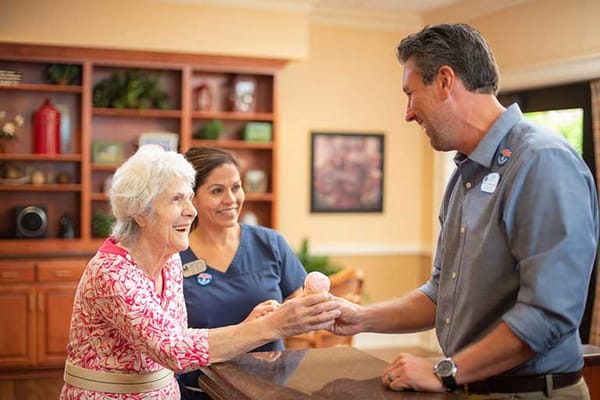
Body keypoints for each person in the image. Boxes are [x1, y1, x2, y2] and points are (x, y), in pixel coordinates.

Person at [330, 23, 598, 399]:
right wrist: (362, 318)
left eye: (411, 94)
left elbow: (548, 315)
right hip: (469, 387)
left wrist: (445, 372)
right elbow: (443, 293)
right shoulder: (465, 176)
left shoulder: (542, 162)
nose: (408, 114)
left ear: (444, 81)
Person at [60, 144, 339, 399]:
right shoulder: (113, 272)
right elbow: (174, 349)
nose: (191, 211)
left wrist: (246, 329)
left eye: (189, 199)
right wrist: (269, 327)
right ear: (140, 212)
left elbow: (178, 335)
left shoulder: (169, 261)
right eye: (176, 200)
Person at [177, 146, 308, 399]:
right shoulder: (174, 256)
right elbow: (168, 340)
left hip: (268, 390)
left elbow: (300, 312)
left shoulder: (270, 243)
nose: (231, 199)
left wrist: (278, 320)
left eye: (236, 187)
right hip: (200, 391)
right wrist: (253, 328)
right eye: (217, 191)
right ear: (192, 198)